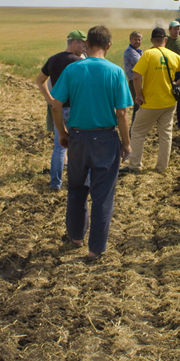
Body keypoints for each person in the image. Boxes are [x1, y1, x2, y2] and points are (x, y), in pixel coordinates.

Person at [50, 26, 133, 261]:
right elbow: (122, 114)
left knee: (76, 189)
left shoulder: (72, 69)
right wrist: (126, 144)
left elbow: (56, 105)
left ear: (87, 45)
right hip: (105, 139)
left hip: (77, 137)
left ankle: (76, 237)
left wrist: (63, 133)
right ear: (108, 45)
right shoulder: (115, 72)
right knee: (102, 195)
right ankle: (95, 248)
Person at [126, 27, 180, 173]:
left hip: (150, 103)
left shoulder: (148, 54)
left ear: (151, 41)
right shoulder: (173, 55)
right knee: (165, 134)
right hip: (170, 102)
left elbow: (137, 76)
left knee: (137, 132)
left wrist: (138, 95)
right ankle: (162, 167)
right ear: (165, 40)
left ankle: (135, 165)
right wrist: (177, 84)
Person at [36, 30, 87, 190]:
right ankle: (78, 183)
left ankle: (55, 183)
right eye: (82, 44)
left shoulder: (53, 60)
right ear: (74, 43)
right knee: (79, 147)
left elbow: (40, 80)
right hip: (76, 110)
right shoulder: (79, 62)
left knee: (59, 148)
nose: (84, 47)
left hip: (58, 109)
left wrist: (50, 99)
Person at [123, 31, 143, 123]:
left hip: (139, 81)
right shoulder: (130, 52)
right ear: (130, 40)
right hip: (135, 82)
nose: (137, 41)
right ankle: (134, 130)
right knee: (138, 106)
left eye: (139, 40)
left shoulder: (137, 51)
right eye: (135, 39)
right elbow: (142, 64)